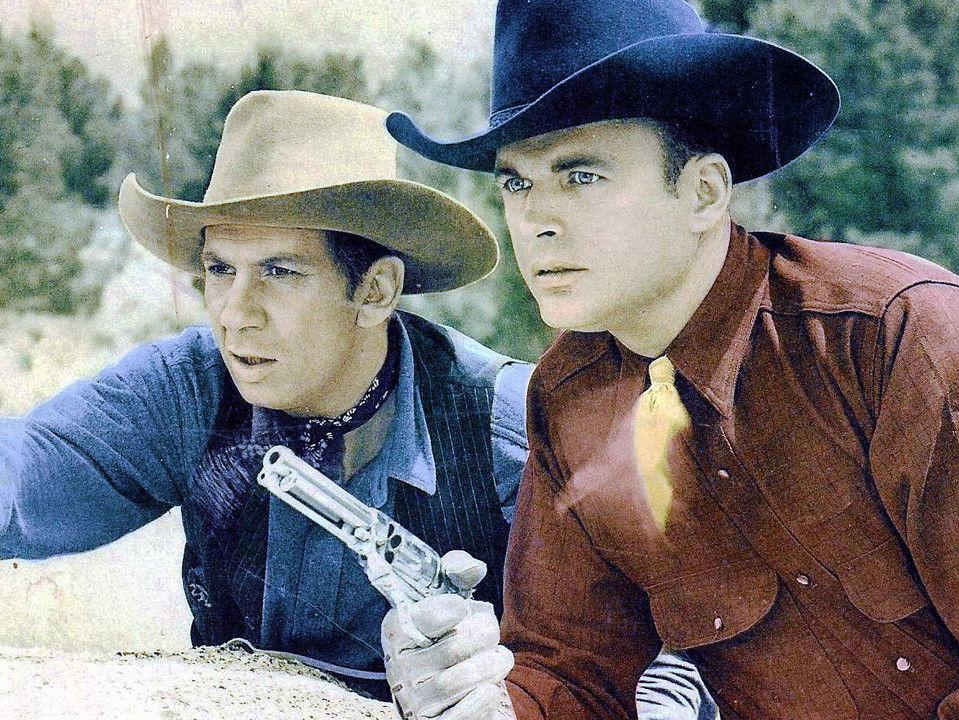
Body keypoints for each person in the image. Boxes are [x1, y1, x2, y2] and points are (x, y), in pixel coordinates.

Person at [379, 0, 959, 718]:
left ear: (704, 192)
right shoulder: (571, 397)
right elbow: (573, 681)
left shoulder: (903, 339)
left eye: (582, 176)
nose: (538, 220)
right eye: (517, 184)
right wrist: (471, 698)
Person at [0, 88, 710, 717]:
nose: (235, 313)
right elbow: (25, 472)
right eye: (219, 269)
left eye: (279, 272)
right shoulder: (191, 387)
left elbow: (685, 652)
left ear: (375, 291)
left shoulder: (523, 425)